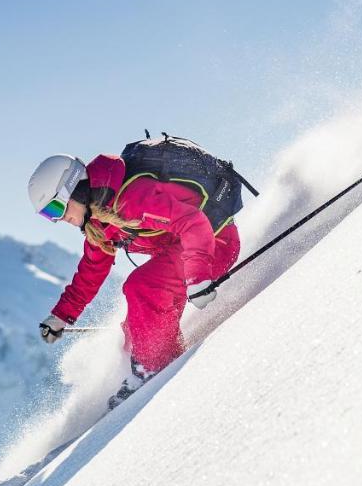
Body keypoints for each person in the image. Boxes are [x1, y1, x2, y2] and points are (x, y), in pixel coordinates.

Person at [28, 149, 241, 407]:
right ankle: (156, 365)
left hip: (214, 242)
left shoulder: (132, 197)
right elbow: (91, 270)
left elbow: (193, 222)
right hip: (183, 251)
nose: (59, 219)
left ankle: (152, 369)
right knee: (134, 331)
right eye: (49, 215)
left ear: (74, 188)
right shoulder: (98, 220)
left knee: (143, 287)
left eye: (56, 207)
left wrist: (198, 277)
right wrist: (61, 315)